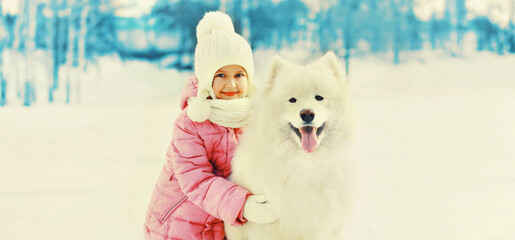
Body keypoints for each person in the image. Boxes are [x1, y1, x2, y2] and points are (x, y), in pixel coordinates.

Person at [143, 11, 276, 240]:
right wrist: (244, 204)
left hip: (222, 224)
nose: (231, 84)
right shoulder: (190, 122)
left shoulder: (253, 117)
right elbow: (196, 180)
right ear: (206, 78)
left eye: (239, 74)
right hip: (178, 225)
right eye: (221, 75)